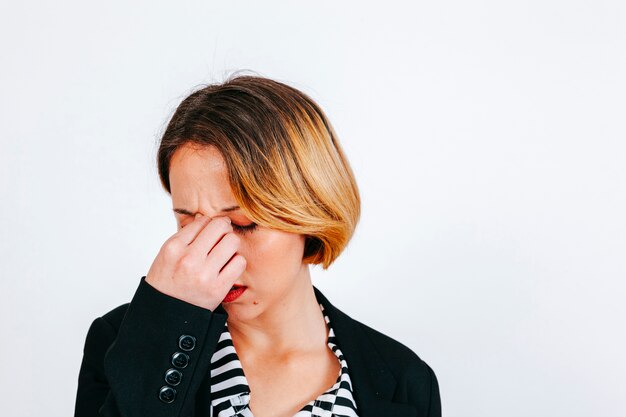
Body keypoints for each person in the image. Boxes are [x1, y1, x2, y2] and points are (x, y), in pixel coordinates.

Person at [74, 74, 441, 417]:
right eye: (188, 220)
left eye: (243, 224)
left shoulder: (404, 380)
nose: (214, 251)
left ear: (311, 212)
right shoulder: (122, 342)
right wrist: (165, 322)